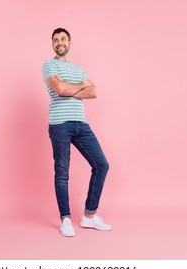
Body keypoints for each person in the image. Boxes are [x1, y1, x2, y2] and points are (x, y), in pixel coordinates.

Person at [42, 28, 112, 237]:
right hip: (60, 124)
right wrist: (79, 87)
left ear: (70, 43)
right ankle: (65, 219)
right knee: (62, 173)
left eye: (63, 39)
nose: (59, 42)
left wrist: (70, 85)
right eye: (56, 40)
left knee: (101, 164)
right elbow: (60, 90)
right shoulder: (49, 65)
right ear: (52, 44)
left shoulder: (79, 69)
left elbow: (94, 92)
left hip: (81, 123)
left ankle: (89, 216)